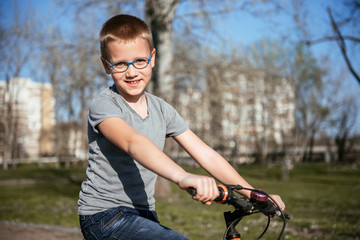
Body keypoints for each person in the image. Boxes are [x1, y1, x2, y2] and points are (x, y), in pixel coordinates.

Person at [78, 14, 285, 240]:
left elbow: (206, 155)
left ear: (153, 58)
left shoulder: (162, 109)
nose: (131, 72)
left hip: (144, 215)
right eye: (120, 64)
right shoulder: (105, 104)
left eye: (140, 61)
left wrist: (255, 195)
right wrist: (182, 176)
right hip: (105, 217)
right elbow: (133, 143)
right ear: (106, 66)